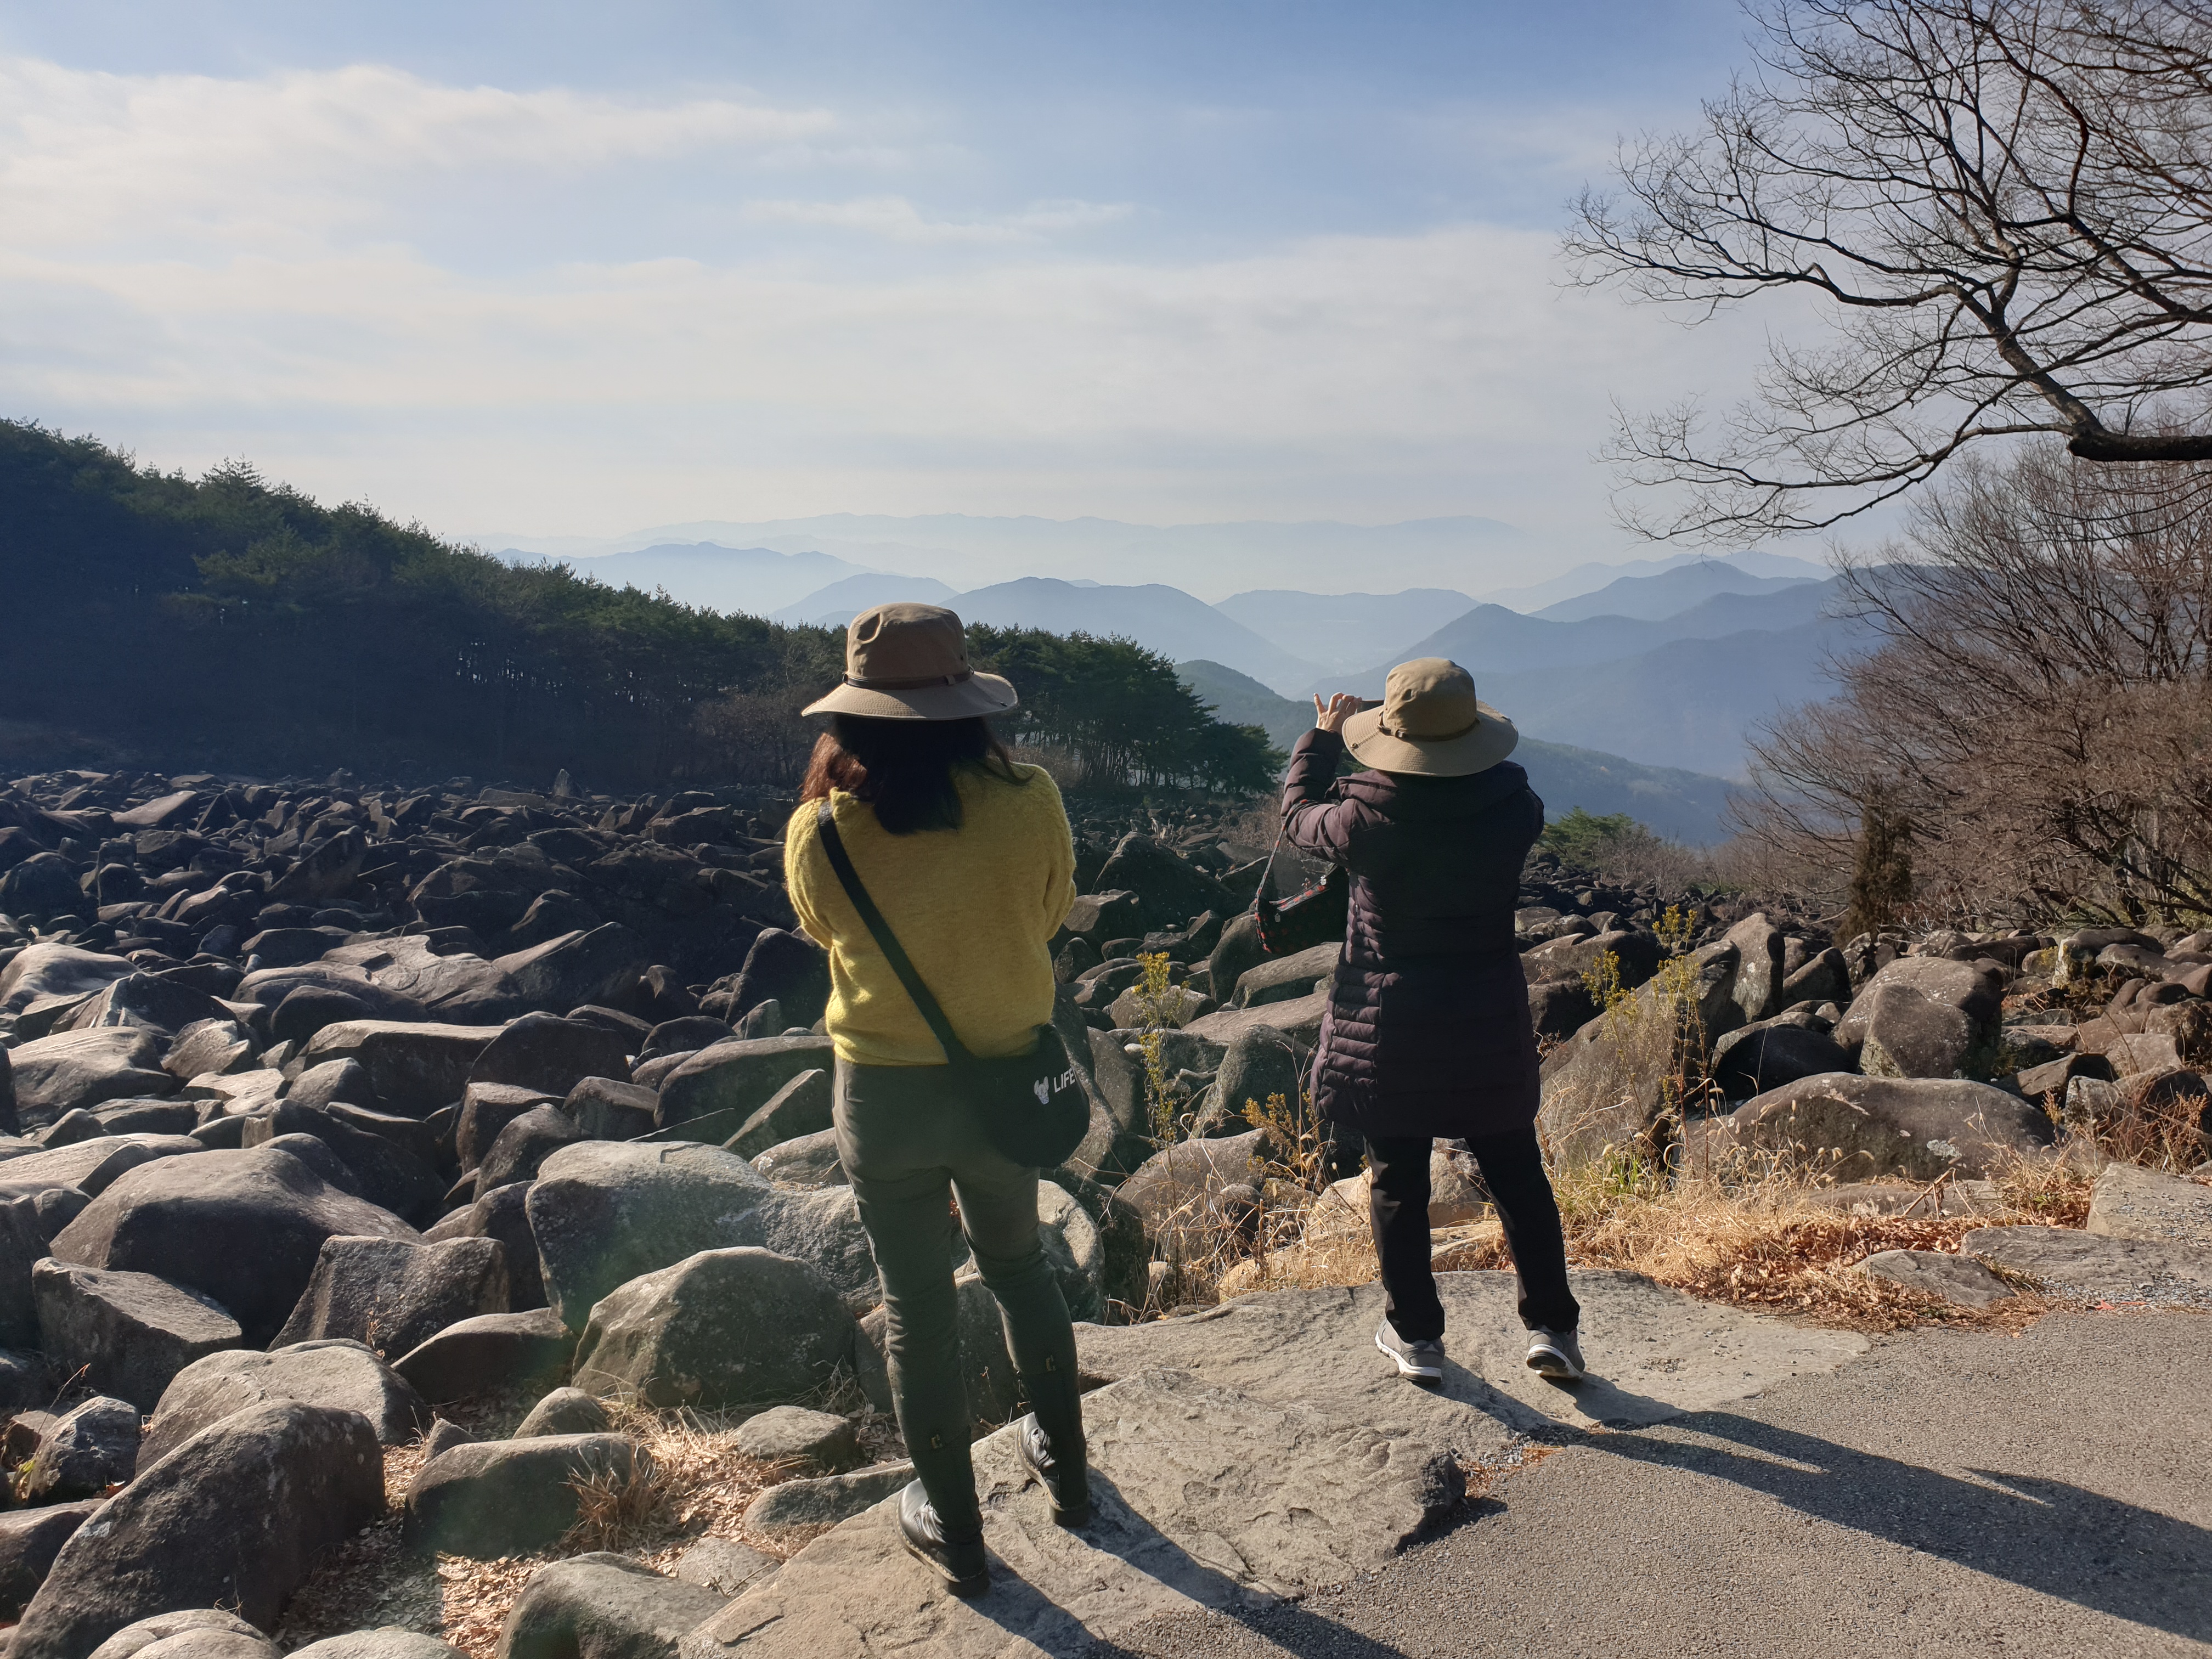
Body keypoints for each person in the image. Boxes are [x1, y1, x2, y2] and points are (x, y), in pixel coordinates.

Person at [783, 602, 1088, 1597]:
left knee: (916, 1309)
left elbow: (824, 933)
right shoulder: (1030, 801)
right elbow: (1050, 912)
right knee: (1021, 1269)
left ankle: (955, 1529)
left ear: (852, 716)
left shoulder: (820, 830)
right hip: (1003, 1085)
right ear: (969, 707)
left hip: (884, 1100)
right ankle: (1068, 1471)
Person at [1285, 657, 1584, 1384]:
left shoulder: (1361, 818)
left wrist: (1321, 740)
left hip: (1391, 1026)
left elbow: (1297, 820)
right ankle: (1553, 1329)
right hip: (1486, 1020)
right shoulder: (1516, 809)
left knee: (1397, 1181)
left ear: (1391, 734)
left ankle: (1417, 1336)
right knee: (1517, 1173)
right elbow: (1480, 794)